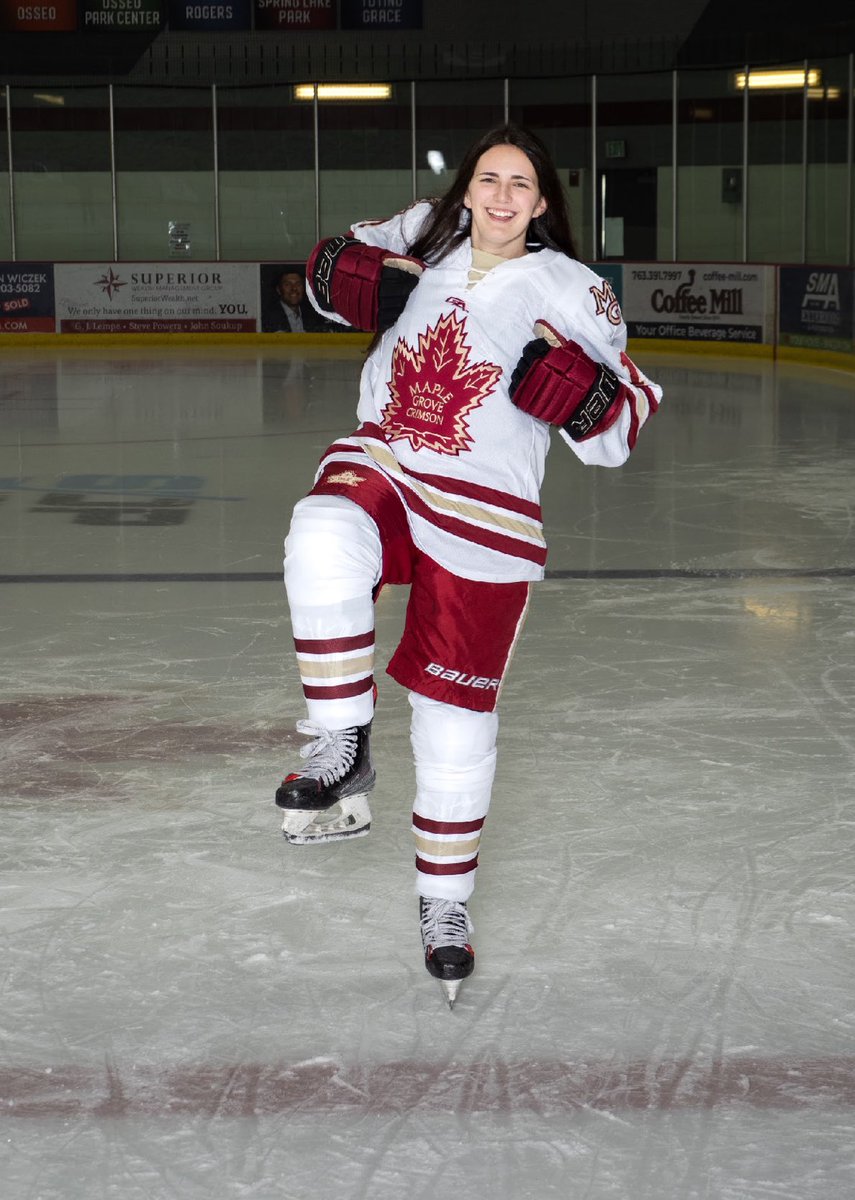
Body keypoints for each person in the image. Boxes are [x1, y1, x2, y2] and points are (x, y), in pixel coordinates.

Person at [274, 124, 662, 1006]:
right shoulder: (423, 232)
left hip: (487, 507)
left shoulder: (574, 288)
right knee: (324, 530)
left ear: (542, 204)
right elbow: (332, 279)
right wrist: (339, 271)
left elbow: (623, 422)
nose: (498, 196)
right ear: (467, 190)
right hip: (391, 458)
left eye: (519, 185)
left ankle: (443, 906)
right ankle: (342, 740)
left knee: (453, 724)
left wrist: (587, 397)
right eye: (487, 179)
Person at [261, 268, 332, 333]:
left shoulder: (313, 315)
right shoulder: (268, 317)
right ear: (279, 290)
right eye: (288, 284)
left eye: (298, 284)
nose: (294, 288)